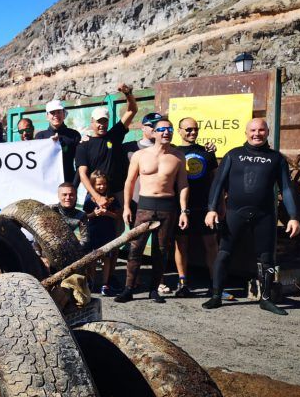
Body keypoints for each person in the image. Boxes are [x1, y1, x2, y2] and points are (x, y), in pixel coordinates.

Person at [203, 118, 300, 315]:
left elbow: (286, 189)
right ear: (246, 133)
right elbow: (218, 183)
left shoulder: (276, 158)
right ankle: (216, 295)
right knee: (224, 253)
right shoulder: (233, 155)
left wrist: (293, 216)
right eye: (253, 130)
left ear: (267, 132)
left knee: (267, 258)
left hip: (264, 215)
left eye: (261, 130)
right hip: (234, 213)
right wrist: (212, 209)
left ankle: (266, 299)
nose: (257, 134)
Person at [116, 119, 189, 303]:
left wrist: (183, 211)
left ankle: (153, 290)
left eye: (169, 129)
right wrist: (126, 207)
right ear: (154, 133)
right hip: (144, 207)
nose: (166, 132)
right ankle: (128, 289)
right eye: (162, 129)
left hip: (167, 207)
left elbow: (183, 185)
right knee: (135, 249)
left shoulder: (178, 156)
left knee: (162, 251)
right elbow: (129, 182)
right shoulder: (140, 155)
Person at [172, 117, 219, 297]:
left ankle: (215, 283)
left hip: (205, 207)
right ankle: (183, 283)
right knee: (181, 244)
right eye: (188, 129)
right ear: (180, 131)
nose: (192, 133)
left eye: (195, 129)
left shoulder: (207, 152)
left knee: (211, 244)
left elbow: (216, 181)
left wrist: (218, 205)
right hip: (181, 207)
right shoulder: (174, 153)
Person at [75, 84, 139, 209]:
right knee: (94, 227)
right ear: (92, 122)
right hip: (95, 194)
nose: (102, 125)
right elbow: (82, 174)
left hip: (117, 192)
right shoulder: (83, 145)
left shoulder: (114, 135)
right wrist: (97, 197)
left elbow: (132, 110)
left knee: (118, 227)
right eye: (99, 121)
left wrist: (128, 94)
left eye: (105, 121)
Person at [83, 170, 121, 296]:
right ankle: (91, 282)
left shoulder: (111, 198)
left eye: (104, 184)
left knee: (107, 258)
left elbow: (117, 216)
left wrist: (107, 213)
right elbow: (85, 216)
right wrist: (94, 214)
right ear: (93, 185)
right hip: (93, 232)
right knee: (92, 259)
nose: (102, 187)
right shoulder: (89, 198)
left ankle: (105, 284)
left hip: (108, 232)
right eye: (98, 184)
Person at [35, 100, 82, 183]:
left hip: (68, 185)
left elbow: (80, 164)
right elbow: (37, 164)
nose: (56, 115)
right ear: (47, 116)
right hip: (47, 185)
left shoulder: (74, 135)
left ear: (64, 114)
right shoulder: (40, 137)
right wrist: (48, 144)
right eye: (52, 112)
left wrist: (74, 185)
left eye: (59, 112)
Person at [50, 182, 89, 251]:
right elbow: (36, 232)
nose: (68, 198)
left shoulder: (81, 215)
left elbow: (85, 239)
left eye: (71, 195)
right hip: (47, 248)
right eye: (64, 195)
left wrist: (74, 250)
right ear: (58, 196)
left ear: (76, 196)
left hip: (68, 249)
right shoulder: (49, 209)